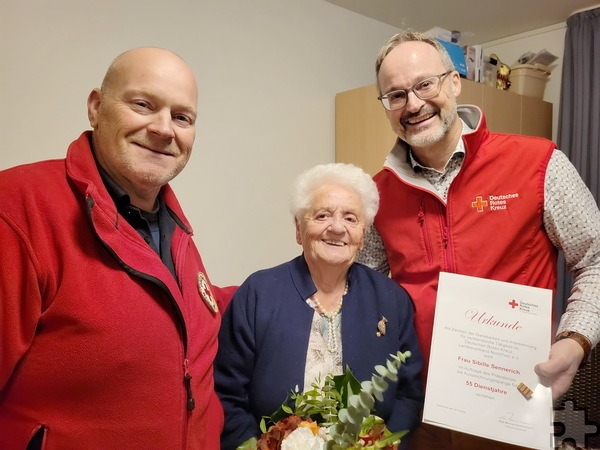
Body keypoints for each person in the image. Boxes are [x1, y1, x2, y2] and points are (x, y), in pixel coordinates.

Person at [357, 30, 600, 449]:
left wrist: (575, 339)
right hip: (418, 408)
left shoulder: (538, 162)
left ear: (454, 82)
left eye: (423, 85)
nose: (413, 104)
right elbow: (362, 287)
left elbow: (595, 258)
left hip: (514, 399)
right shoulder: (376, 194)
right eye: (396, 95)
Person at [0, 47, 235, 449]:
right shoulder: (19, 208)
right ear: (96, 107)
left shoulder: (174, 230)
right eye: (143, 105)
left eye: (182, 117)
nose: (164, 129)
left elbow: (175, 327)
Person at [215, 163, 424, 450]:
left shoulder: (391, 299)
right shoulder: (257, 294)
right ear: (299, 229)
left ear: (363, 235)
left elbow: (408, 394)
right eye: (322, 215)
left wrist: (385, 445)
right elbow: (226, 394)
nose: (337, 228)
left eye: (351, 218)